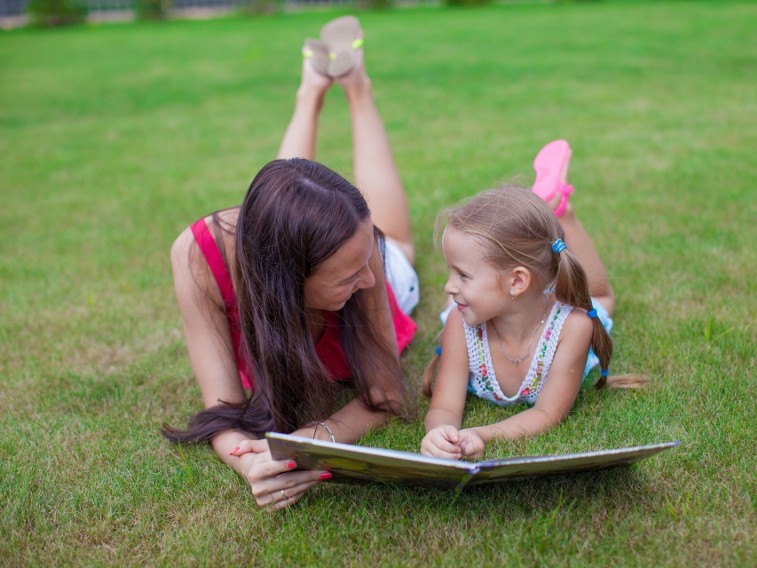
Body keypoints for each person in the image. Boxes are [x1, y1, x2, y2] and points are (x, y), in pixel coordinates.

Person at [164, 16, 420, 510]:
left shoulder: (367, 261)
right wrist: (252, 464)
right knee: (288, 207)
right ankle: (312, 88)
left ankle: (355, 87)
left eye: (365, 260)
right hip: (284, 255)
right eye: (349, 275)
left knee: (397, 250)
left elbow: (386, 393)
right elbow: (223, 407)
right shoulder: (197, 257)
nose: (368, 280)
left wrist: (307, 439)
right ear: (285, 282)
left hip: (374, 268)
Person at [420, 140, 645, 460]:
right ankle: (535, 223)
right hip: (489, 307)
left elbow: (546, 414)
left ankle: (561, 211)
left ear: (517, 281)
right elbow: (444, 406)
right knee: (455, 305)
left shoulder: (573, 328)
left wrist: (482, 433)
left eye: (463, 275)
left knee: (602, 299)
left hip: (547, 316)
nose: (447, 286)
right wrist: (439, 433)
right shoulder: (461, 322)